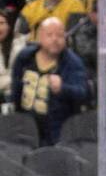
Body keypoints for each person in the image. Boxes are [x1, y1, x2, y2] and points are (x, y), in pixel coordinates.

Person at [10, 16, 88, 144]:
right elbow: (16, 89)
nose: (55, 40)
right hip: (24, 127)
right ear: (40, 36)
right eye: (49, 35)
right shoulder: (24, 58)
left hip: (57, 131)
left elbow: (83, 94)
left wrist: (63, 88)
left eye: (59, 35)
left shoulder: (73, 63)